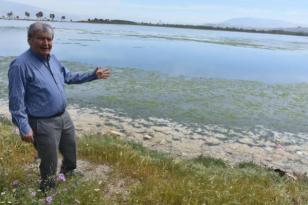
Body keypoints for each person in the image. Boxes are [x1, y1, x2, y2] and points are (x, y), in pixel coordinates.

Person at [8, 22, 111, 191]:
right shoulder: (20, 66)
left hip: (64, 117)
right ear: (29, 40)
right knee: (49, 160)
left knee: (70, 150)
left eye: (49, 39)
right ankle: (48, 189)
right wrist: (24, 127)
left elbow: (68, 76)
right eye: (41, 39)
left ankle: (68, 173)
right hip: (42, 122)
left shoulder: (53, 59)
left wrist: (93, 75)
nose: (46, 43)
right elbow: (15, 101)